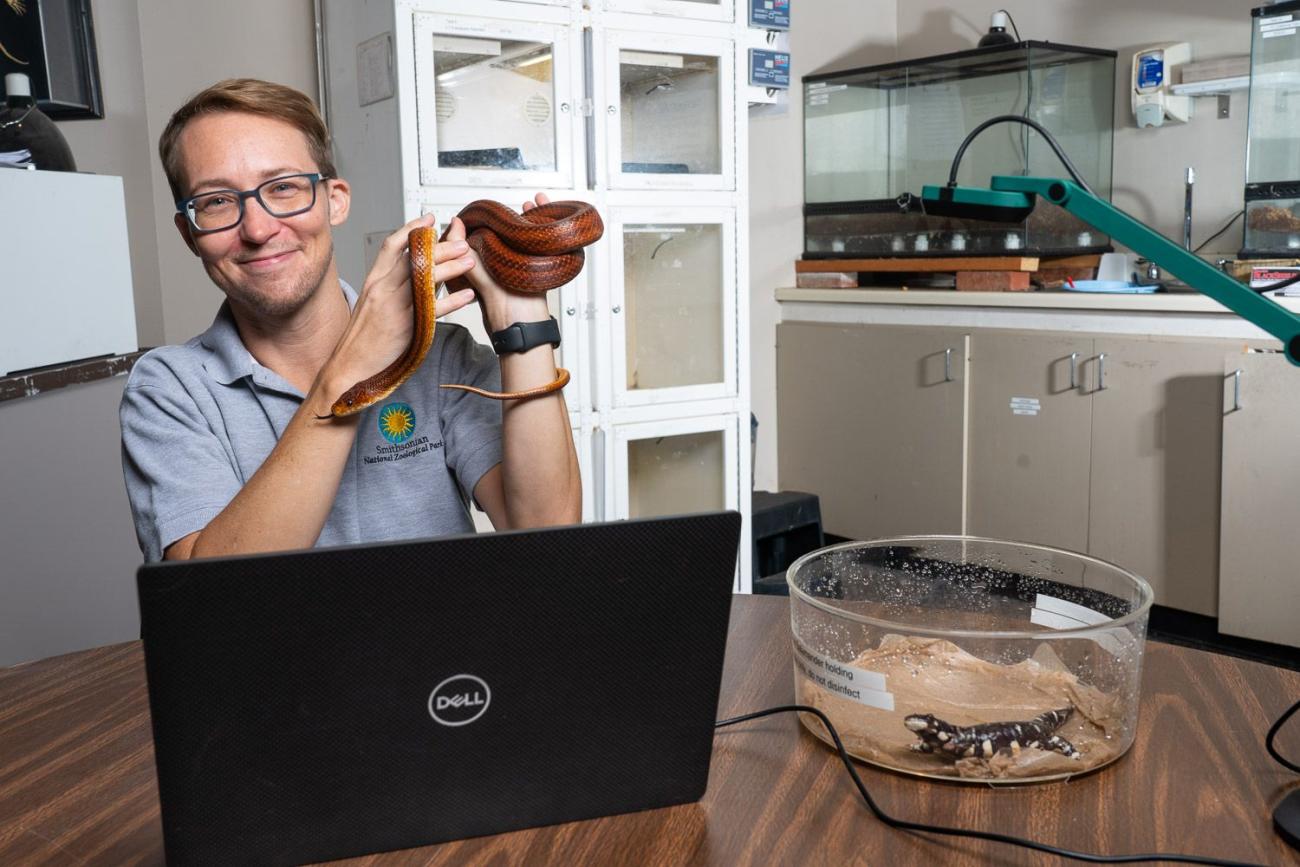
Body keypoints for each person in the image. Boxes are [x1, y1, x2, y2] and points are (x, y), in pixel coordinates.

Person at [120, 78, 581, 563]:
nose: (257, 229)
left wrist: (522, 313)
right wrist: (352, 368)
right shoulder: (169, 389)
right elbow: (210, 599)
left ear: (334, 200)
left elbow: (547, 545)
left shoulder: (442, 356)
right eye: (215, 201)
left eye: (283, 188)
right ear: (189, 233)